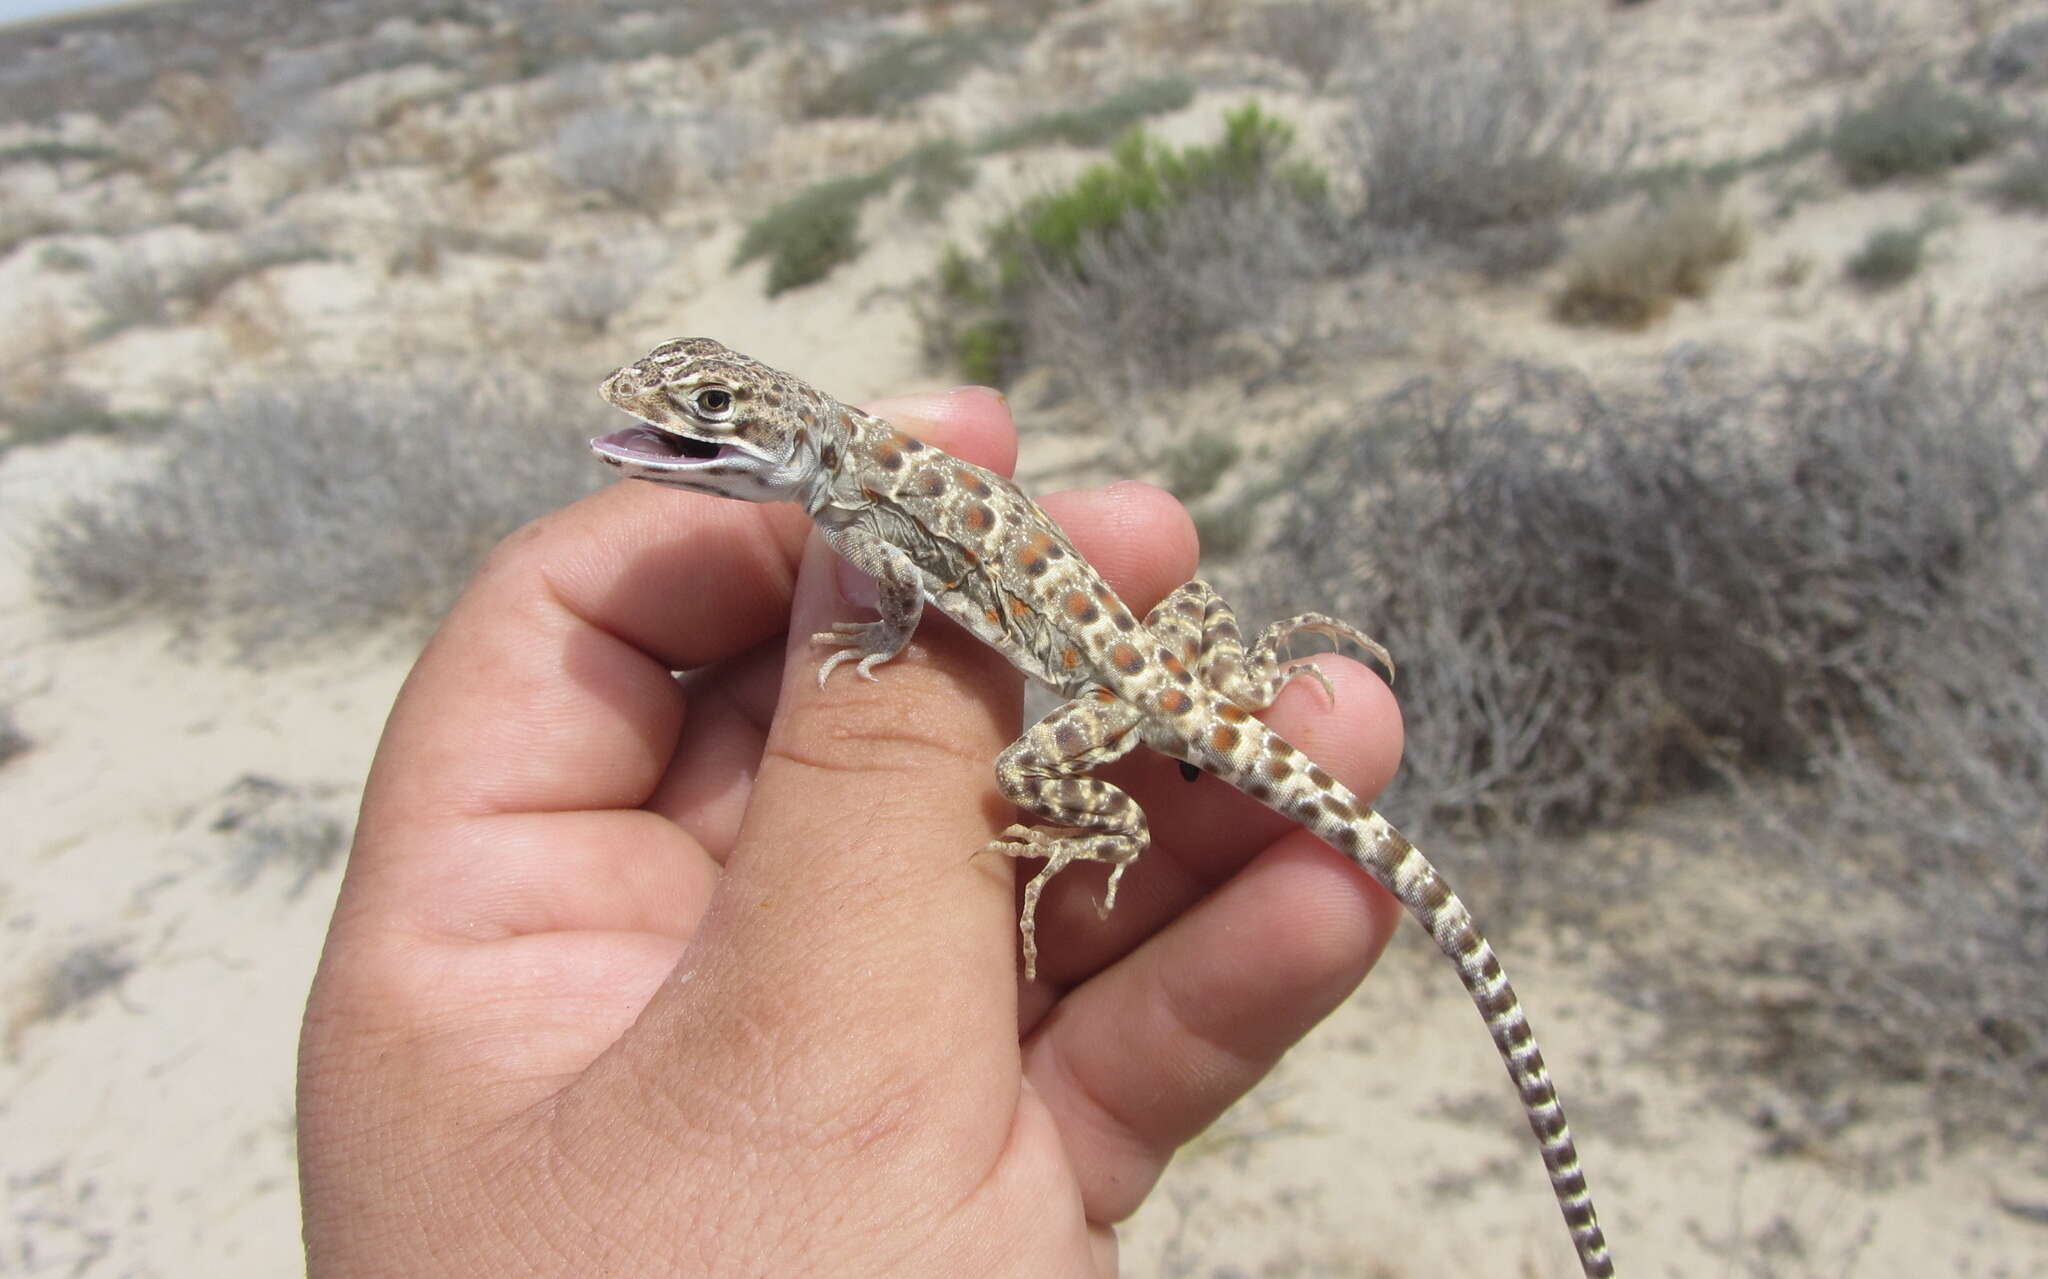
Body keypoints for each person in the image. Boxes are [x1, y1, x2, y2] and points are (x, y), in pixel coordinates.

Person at [297, 385, 1406, 1274]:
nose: (696, 424)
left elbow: (914, 581)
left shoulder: (858, 502)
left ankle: (1109, 824)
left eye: (723, 411)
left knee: (1020, 764)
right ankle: (1242, 677)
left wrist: (883, 638)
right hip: (1147, 665)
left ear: (789, 433)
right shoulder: (855, 476)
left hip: (1122, 692)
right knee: (1180, 598)